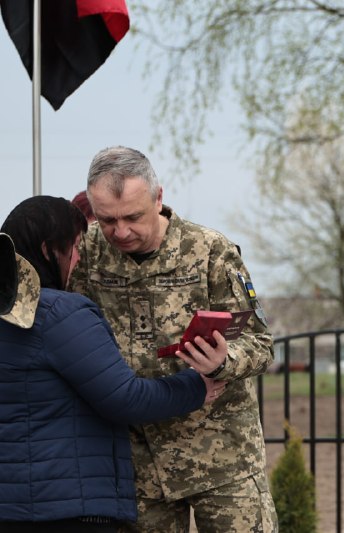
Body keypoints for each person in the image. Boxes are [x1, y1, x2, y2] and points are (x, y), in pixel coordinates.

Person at [69, 146, 278, 532]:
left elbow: (261, 344)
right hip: (137, 464)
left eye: (133, 216)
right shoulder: (87, 252)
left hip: (222, 456)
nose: (121, 231)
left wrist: (224, 361)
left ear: (158, 198)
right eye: (108, 219)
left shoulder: (209, 250)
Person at [0, 196, 227, 532]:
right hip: (65, 509)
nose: (79, 258)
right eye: (75, 246)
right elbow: (125, 398)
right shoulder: (59, 314)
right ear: (49, 250)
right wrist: (196, 386)